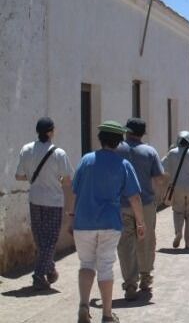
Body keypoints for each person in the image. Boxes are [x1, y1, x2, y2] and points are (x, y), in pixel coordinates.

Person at [67, 120, 145, 323]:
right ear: (119, 141)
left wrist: (71, 217)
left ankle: (84, 306)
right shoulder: (123, 165)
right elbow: (135, 197)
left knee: (86, 264)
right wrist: (140, 223)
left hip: (83, 222)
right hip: (110, 223)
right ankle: (107, 314)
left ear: (100, 139)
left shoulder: (86, 161)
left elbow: (74, 192)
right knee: (105, 267)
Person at [15, 117, 74, 290]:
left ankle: (50, 270)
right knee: (50, 240)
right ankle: (39, 275)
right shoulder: (58, 153)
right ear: (50, 132)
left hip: (35, 199)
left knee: (41, 240)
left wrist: (34, 178)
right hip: (53, 201)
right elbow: (67, 180)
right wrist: (56, 181)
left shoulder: (26, 149)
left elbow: (19, 176)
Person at [115, 118, 165, 300]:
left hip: (121, 204)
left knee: (125, 244)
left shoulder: (116, 149)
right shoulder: (150, 151)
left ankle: (129, 283)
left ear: (127, 131)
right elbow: (159, 178)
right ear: (143, 133)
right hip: (145, 204)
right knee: (146, 240)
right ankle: (145, 277)